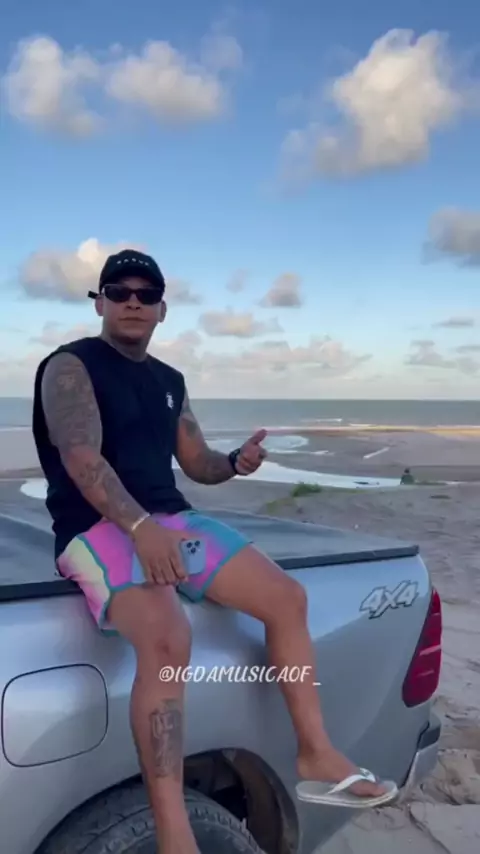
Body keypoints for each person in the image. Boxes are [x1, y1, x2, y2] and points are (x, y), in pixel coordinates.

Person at [32, 250, 397, 854]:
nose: (132, 302)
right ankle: (174, 826)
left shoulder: (170, 381)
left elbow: (196, 462)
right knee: (168, 637)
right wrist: (141, 529)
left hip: (170, 518)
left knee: (286, 599)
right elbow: (80, 458)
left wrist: (235, 462)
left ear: (162, 310)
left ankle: (315, 752)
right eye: (118, 291)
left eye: (146, 294)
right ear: (99, 302)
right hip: (96, 527)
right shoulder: (70, 367)